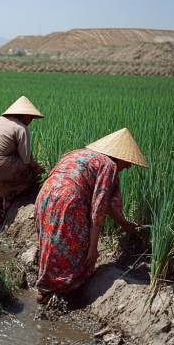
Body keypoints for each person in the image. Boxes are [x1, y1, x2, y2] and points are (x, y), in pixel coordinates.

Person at [34, 128, 149, 304]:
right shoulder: (108, 165)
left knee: (51, 242)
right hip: (69, 201)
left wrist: (124, 224)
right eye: (129, 161)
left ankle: (44, 288)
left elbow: (108, 204)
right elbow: (99, 208)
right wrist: (93, 247)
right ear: (120, 156)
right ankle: (61, 289)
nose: (130, 166)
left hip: (45, 195)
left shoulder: (79, 153)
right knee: (75, 249)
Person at [0, 96, 45, 225]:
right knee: (30, 172)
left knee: (14, 165)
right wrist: (37, 168)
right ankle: (11, 196)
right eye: (30, 118)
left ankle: (0, 197)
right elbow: (26, 159)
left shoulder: (0, 120)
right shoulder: (21, 128)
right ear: (23, 115)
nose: (30, 121)